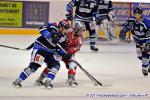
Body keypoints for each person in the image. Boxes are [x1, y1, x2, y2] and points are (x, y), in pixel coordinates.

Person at [12, 19, 72, 88]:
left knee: (56, 65)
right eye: (66, 29)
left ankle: (48, 81)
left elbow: (59, 49)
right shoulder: (53, 27)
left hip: (49, 52)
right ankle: (18, 80)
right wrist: (50, 35)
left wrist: (65, 54)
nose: (67, 31)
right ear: (61, 27)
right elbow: (41, 29)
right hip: (40, 49)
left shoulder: (64, 38)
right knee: (34, 66)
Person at [35, 22, 85, 86]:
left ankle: (71, 78)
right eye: (81, 30)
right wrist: (54, 35)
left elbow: (76, 48)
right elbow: (57, 30)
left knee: (73, 64)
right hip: (58, 51)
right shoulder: (68, 30)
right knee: (52, 65)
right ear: (77, 29)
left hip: (68, 54)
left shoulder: (80, 39)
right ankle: (40, 79)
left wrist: (69, 52)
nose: (82, 32)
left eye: (83, 31)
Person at [119, 7, 150, 76]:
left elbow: (149, 34)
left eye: (138, 14)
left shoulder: (146, 23)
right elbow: (126, 27)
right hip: (137, 41)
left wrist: (148, 43)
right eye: (135, 14)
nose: (137, 15)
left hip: (145, 41)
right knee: (139, 57)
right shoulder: (131, 21)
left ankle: (144, 69)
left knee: (145, 55)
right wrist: (123, 32)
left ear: (141, 14)